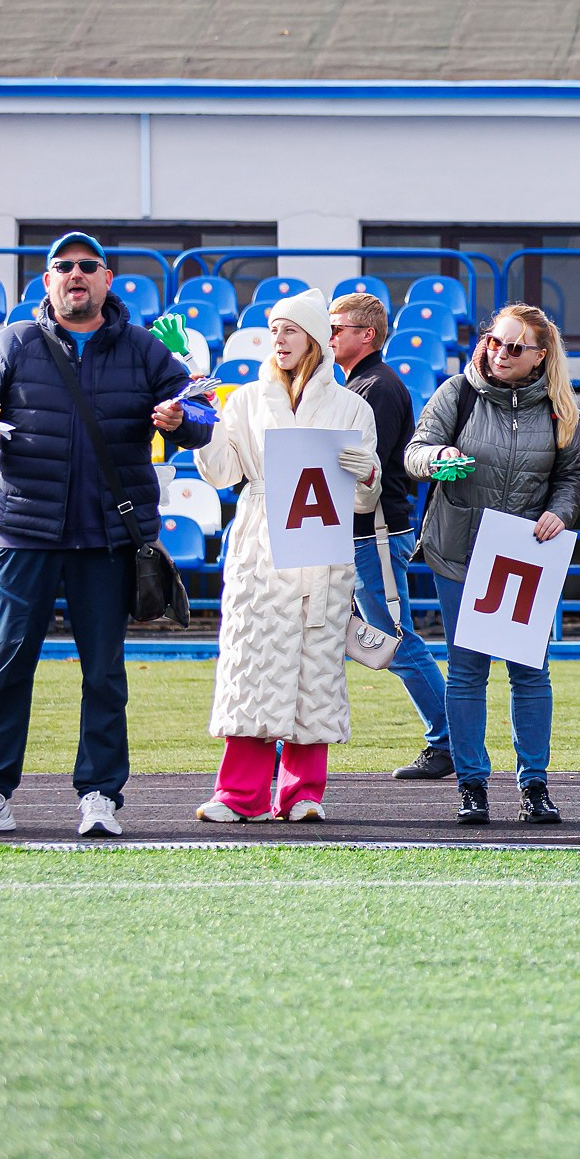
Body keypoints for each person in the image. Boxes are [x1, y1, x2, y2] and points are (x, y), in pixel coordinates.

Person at [0, 233, 205, 839]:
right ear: (48, 280)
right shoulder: (14, 343)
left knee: (104, 673)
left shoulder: (143, 350)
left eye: (88, 267)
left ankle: (100, 796)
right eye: (64, 267)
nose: (76, 275)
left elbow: (203, 417)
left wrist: (181, 418)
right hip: (26, 533)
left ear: (108, 279)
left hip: (109, 537)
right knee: (8, 666)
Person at [192, 289, 379, 823]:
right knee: (253, 662)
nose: (279, 340)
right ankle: (239, 794)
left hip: (322, 545)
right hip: (261, 542)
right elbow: (224, 474)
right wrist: (204, 427)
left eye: (290, 331)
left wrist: (365, 471)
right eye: (274, 331)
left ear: (316, 339)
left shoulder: (351, 407)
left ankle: (302, 793)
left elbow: (367, 496)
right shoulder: (245, 400)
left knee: (314, 669)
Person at [406, 303, 580, 827]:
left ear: (540, 356)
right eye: (493, 341)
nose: (499, 353)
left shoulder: (559, 408)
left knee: (530, 671)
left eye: (514, 347)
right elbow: (415, 451)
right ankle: (472, 786)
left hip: (523, 553)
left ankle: (534, 784)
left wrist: (559, 512)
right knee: (466, 671)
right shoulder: (456, 393)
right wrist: (437, 459)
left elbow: (572, 478)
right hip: (460, 549)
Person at [329, 292, 447, 780]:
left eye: (337, 328)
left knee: (395, 641)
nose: (329, 336)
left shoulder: (374, 388)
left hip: (372, 532)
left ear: (367, 335)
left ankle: (450, 743)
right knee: (377, 640)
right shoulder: (365, 383)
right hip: (364, 532)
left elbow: (362, 469)